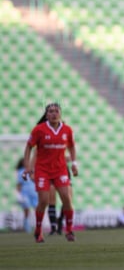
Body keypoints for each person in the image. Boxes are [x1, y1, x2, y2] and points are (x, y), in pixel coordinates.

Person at [23, 103, 78, 243]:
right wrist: (27, 168)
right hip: (43, 170)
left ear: (60, 113)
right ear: (46, 115)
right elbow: (29, 147)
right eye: (51, 111)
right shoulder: (39, 130)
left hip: (60, 169)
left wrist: (74, 164)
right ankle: (38, 230)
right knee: (44, 201)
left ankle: (70, 230)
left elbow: (72, 147)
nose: (54, 113)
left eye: (56, 111)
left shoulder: (67, 130)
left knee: (67, 198)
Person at [15, 158, 38, 233]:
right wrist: (18, 194)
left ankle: (38, 226)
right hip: (25, 193)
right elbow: (19, 184)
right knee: (26, 210)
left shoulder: (33, 170)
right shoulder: (21, 171)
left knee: (37, 209)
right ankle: (26, 226)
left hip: (34, 192)